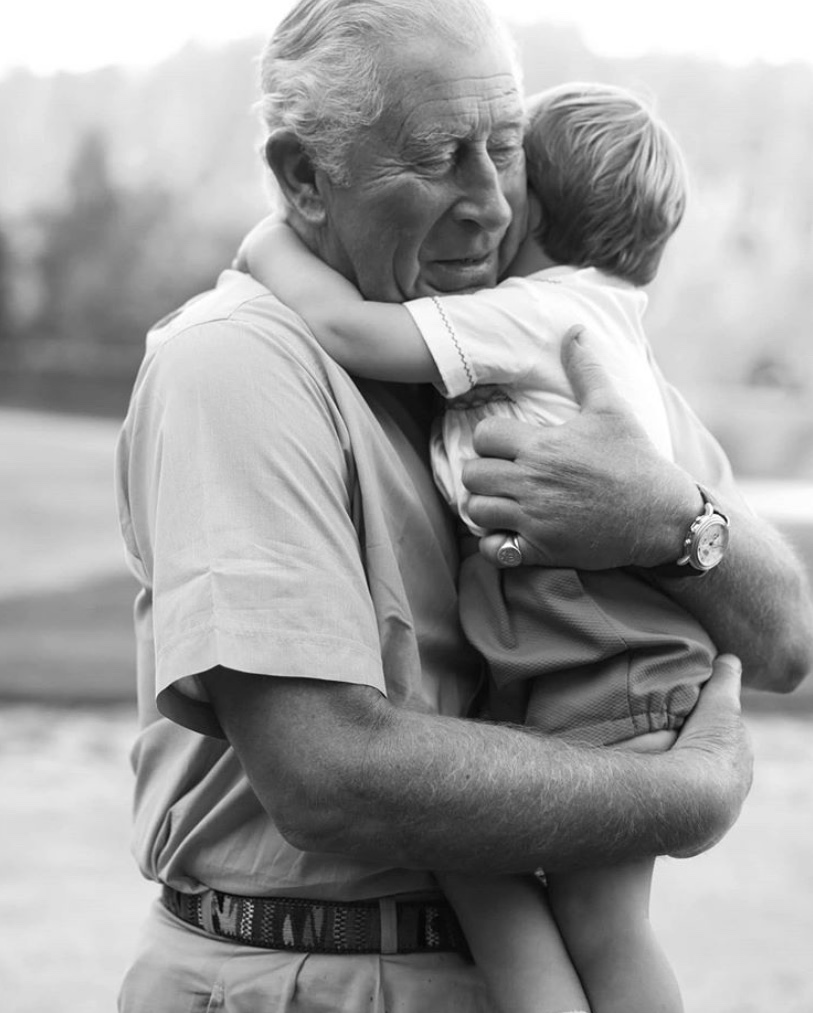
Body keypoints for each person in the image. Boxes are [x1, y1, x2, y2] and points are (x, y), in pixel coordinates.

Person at [115, 2, 813, 1011]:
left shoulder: (557, 344)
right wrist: (683, 792)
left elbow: (785, 640)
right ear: (305, 176)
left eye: (504, 146)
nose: (489, 201)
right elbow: (329, 776)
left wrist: (668, 518)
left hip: (506, 968)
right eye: (439, 156)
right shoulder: (237, 364)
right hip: (301, 976)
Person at [237, 80, 711, 1013]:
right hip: (597, 655)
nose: (482, 201)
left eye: (502, 166)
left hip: (603, 658)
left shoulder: (542, 310)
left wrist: (267, 244)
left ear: (528, 209)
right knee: (535, 900)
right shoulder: (607, 315)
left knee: (578, 915)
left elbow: (349, 331)